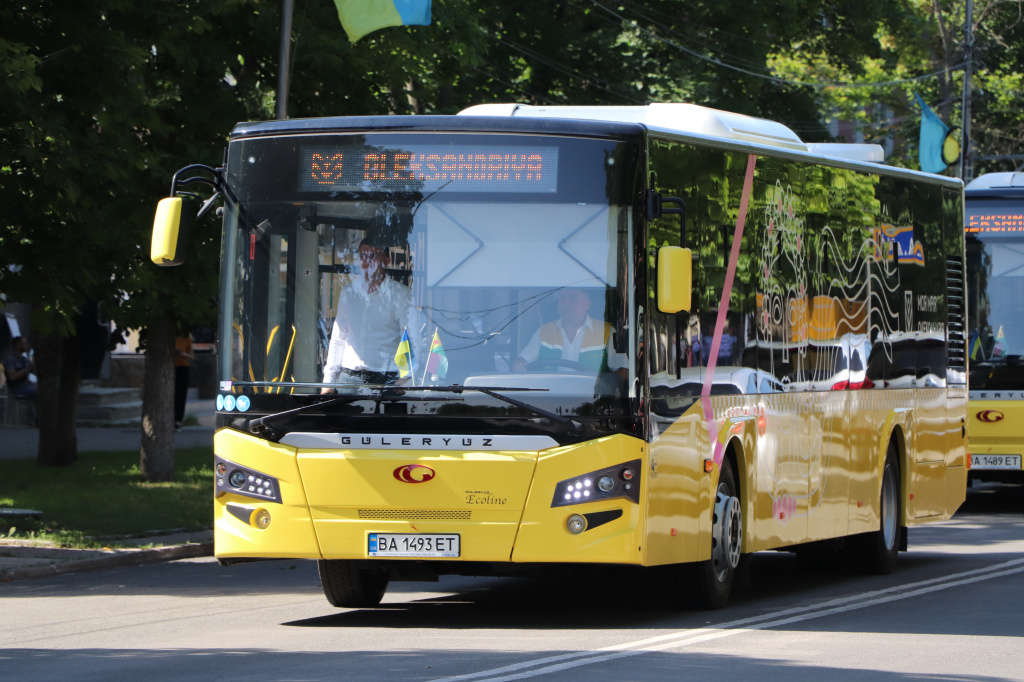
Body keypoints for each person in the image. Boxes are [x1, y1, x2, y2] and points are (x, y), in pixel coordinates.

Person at [321, 238, 420, 392]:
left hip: (387, 380)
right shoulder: (348, 293)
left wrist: (402, 381)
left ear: (386, 261)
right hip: (349, 380)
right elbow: (338, 338)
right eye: (363, 256)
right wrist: (328, 383)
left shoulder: (401, 295)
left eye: (373, 256)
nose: (367, 262)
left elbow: (411, 341)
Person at [513, 288, 627, 376]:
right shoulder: (543, 331)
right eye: (562, 298)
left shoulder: (611, 332)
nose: (566, 303)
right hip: (548, 398)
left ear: (587, 304)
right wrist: (519, 364)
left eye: (573, 298)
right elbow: (522, 360)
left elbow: (624, 370)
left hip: (592, 400)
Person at [174, 334, 194, 429]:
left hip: (183, 367)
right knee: (173, 393)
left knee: (181, 393)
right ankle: (171, 416)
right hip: (172, 366)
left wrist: (183, 354)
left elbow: (191, 355)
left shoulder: (187, 340)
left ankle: (178, 419)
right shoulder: (171, 338)